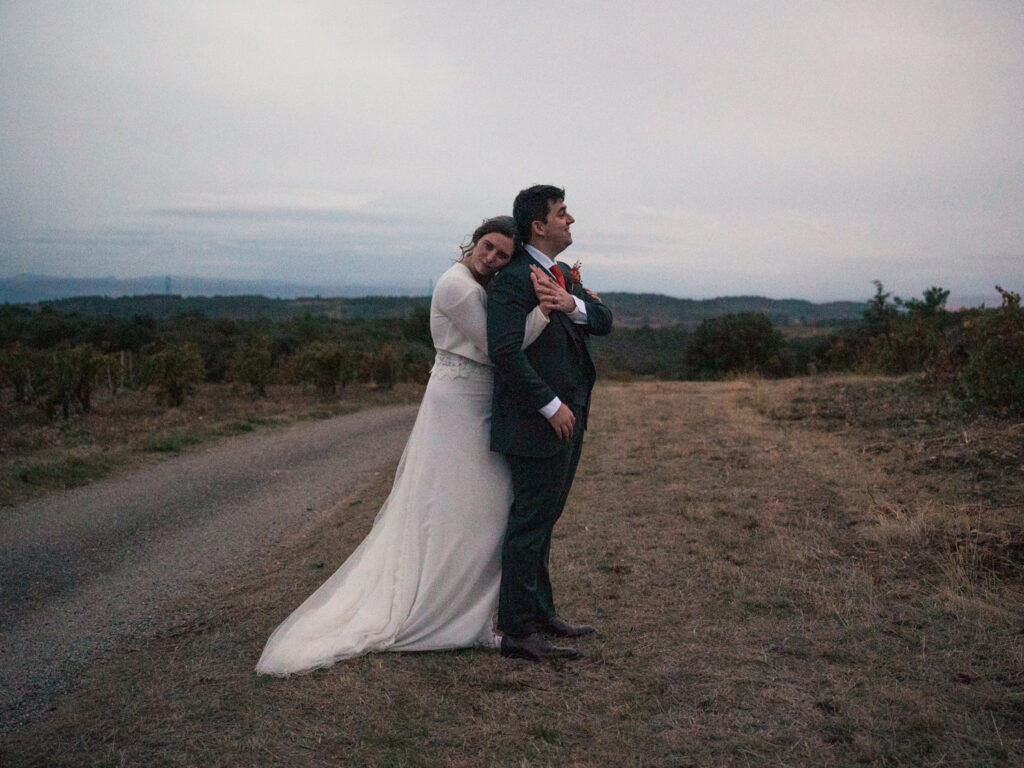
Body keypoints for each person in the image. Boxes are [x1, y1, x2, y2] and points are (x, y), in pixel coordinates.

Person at [256, 216, 572, 675]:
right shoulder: (456, 286)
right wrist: (543, 312)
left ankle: (474, 611)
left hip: (479, 399)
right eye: (488, 247)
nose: (492, 258)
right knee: (461, 505)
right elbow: (495, 348)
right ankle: (447, 611)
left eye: (503, 255)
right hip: (459, 405)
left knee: (479, 508)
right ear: (474, 240)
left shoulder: (480, 283)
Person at [487, 185, 613, 662]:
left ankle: (542, 614)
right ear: (539, 226)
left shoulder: (559, 276)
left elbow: (603, 320)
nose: (571, 220)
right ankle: (518, 631)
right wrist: (550, 405)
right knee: (529, 521)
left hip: (572, 414)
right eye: (563, 214)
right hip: (536, 420)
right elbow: (504, 352)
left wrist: (570, 303)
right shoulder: (516, 279)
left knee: (547, 518)